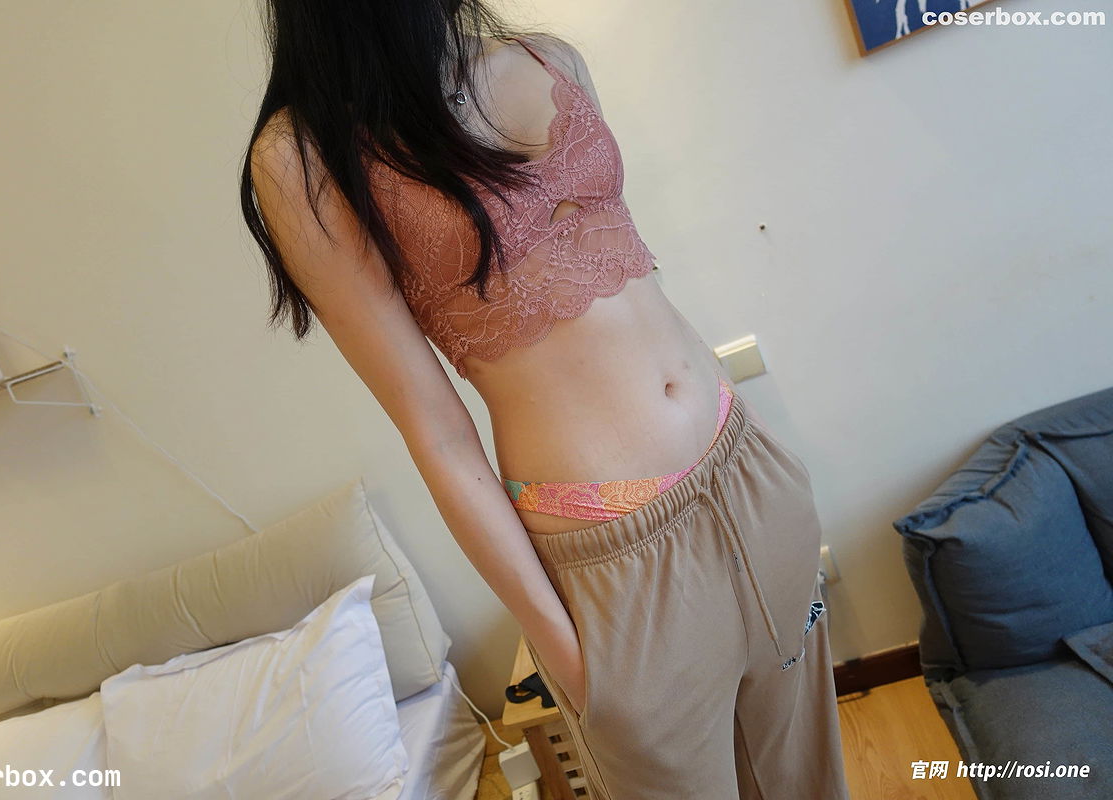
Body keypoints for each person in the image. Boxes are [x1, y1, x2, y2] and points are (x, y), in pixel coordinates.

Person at [241, 2, 850, 797]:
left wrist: (766, 453)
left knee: (808, 779)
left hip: (749, 475)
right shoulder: (305, 159)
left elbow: (635, 287)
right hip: (612, 549)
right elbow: (437, 433)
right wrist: (565, 654)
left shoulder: (545, 57)